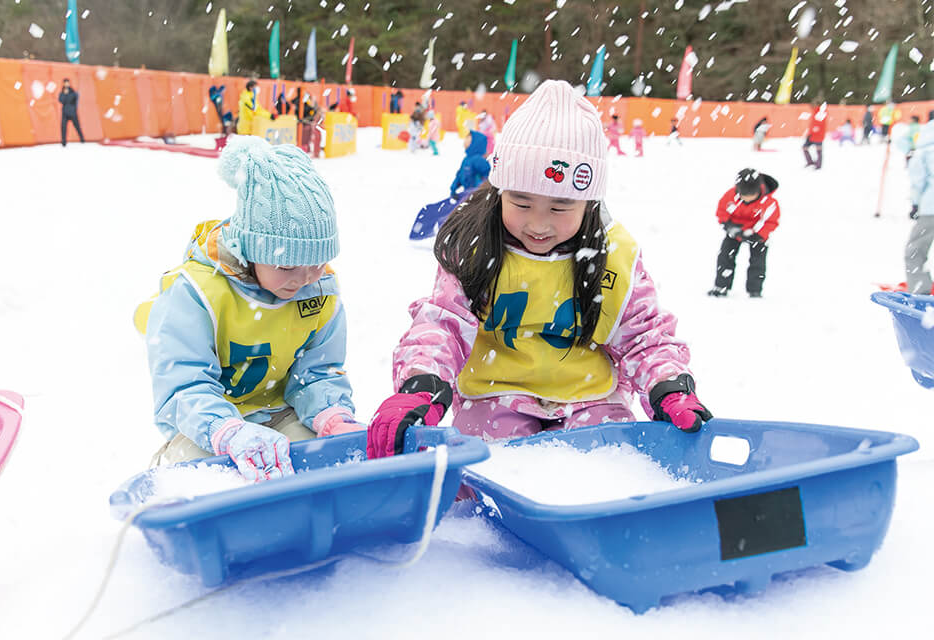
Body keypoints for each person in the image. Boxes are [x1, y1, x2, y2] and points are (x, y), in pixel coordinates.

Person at [365, 80, 712, 459]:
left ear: (589, 203)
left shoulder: (614, 254)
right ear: (500, 190)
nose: (539, 224)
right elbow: (443, 323)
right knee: (489, 469)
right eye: (522, 202)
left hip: (589, 395)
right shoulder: (478, 246)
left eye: (560, 207)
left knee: (611, 463)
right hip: (495, 393)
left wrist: (668, 384)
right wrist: (422, 383)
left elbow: (644, 334)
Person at [135, 137, 363, 481]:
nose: (304, 279)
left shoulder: (320, 290)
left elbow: (318, 372)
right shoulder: (198, 292)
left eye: (317, 263)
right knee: (211, 480)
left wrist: (331, 414)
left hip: (280, 414)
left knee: (326, 467)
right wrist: (226, 429)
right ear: (251, 248)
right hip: (207, 426)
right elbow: (183, 385)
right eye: (287, 267)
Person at [708, 168, 781, 299]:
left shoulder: (769, 203)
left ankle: (755, 290)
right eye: (743, 196)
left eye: (750, 196)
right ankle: (721, 286)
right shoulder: (730, 196)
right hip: (735, 231)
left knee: (758, 262)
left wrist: (758, 234)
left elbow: (771, 221)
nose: (747, 199)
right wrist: (729, 226)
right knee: (725, 257)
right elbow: (722, 212)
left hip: (758, 235)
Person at [905, 110, 934, 294]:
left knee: (915, 251)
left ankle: (921, 293)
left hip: (931, 208)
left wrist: (915, 204)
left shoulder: (925, 148)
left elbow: (918, 181)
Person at [450, 130, 490, 198]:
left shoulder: (478, 160)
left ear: (475, 143)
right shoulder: (466, 159)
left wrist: (479, 189)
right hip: (468, 194)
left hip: (478, 196)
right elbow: (460, 175)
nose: (465, 140)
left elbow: (487, 176)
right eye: (466, 138)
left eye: (468, 138)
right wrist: (453, 188)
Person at [58, 78, 84, 146]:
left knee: (77, 127)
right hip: (65, 113)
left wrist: (74, 109)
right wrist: (65, 94)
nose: (66, 84)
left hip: (72, 113)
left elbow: (75, 100)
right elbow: (61, 100)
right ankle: (64, 142)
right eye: (65, 83)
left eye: (67, 83)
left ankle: (82, 139)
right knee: (63, 127)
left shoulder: (73, 92)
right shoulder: (62, 92)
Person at [803, 104, 827, 170]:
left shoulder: (821, 112)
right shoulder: (815, 112)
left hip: (818, 135)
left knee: (819, 150)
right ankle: (810, 162)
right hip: (811, 135)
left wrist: (815, 128)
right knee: (805, 148)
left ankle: (818, 165)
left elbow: (819, 124)